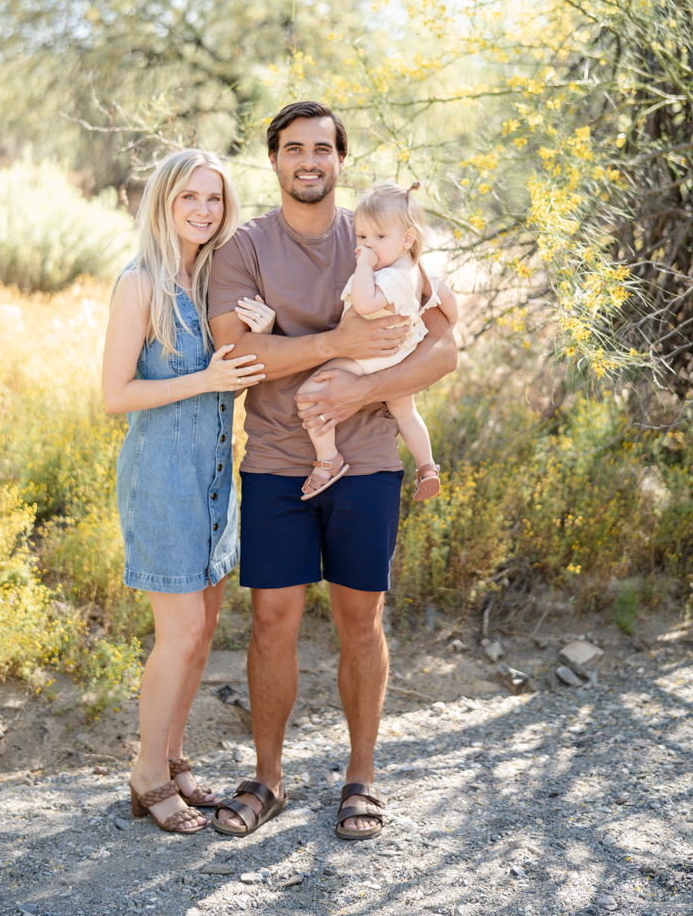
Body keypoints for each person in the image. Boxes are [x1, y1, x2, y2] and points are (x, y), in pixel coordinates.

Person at [207, 101, 457, 842]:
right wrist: (338, 341)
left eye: (322, 148)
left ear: (340, 159)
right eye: (293, 148)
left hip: (373, 460)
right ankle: (268, 778)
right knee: (272, 620)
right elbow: (238, 358)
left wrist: (359, 385)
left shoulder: (381, 232)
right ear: (275, 160)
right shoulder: (245, 248)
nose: (308, 160)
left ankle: (361, 778)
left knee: (360, 620)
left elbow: (443, 350)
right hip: (280, 461)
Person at [101, 149, 272, 836]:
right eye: (188, 198)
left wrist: (262, 332)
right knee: (179, 635)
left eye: (215, 199)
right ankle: (145, 774)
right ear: (163, 203)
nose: (204, 210)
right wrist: (205, 379)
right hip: (162, 479)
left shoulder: (213, 284)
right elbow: (116, 395)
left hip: (213, 479)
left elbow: (242, 377)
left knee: (201, 634)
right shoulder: (138, 283)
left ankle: (171, 757)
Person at [297, 181, 458, 500]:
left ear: (407, 238)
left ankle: (328, 460)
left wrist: (364, 265)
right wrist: (446, 321)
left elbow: (366, 304)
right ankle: (426, 466)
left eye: (379, 238)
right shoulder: (418, 271)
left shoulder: (385, 275)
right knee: (405, 412)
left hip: (371, 356)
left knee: (310, 393)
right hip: (401, 353)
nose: (368, 245)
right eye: (362, 237)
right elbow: (449, 302)